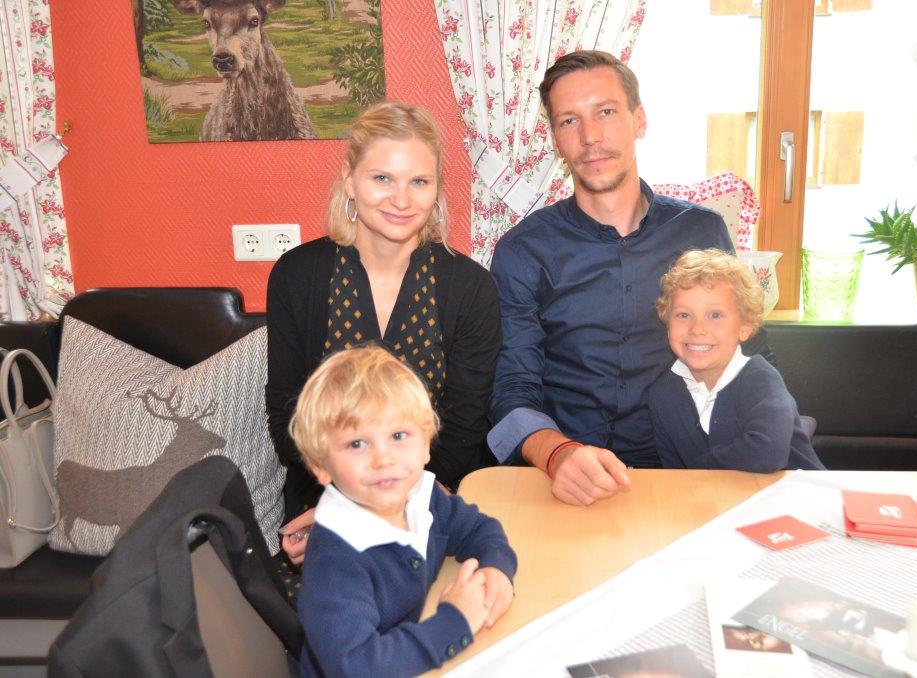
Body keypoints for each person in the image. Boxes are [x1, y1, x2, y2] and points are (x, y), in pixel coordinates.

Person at [487, 50, 773, 506]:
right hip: (559, 477)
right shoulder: (523, 251)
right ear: (556, 140)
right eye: (569, 121)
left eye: (605, 112)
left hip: (684, 475)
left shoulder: (702, 233)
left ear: (639, 120)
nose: (590, 137)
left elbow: (744, 357)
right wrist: (558, 454)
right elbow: (511, 389)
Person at [266, 102, 501, 563]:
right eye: (382, 179)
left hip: (436, 497)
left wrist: (390, 508)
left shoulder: (471, 287)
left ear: (437, 189)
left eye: (419, 182)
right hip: (326, 497)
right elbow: (289, 419)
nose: (402, 199)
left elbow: (463, 430)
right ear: (350, 181)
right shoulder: (298, 276)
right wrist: (346, 508)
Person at [289, 346, 516, 676]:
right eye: (357, 443)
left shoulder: (421, 495)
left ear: (426, 444)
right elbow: (357, 667)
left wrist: (497, 570)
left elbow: (479, 529)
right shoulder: (334, 562)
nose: (383, 459)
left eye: (398, 435)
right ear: (321, 466)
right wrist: (455, 622)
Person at [648, 249, 822, 472]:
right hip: (718, 494)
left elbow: (767, 454)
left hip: (799, 491)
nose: (697, 329)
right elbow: (674, 474)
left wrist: (697, 471)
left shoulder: (760, 379)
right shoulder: (662, 395)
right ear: (667, 324)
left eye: (715, 315)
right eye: (683, 315)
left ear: (744, 327)